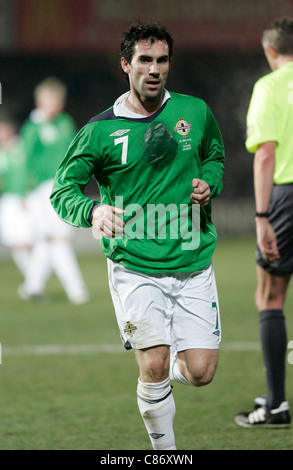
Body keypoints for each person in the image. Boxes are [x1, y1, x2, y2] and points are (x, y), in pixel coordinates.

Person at [50, 22, 225, 449]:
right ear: (126, 65)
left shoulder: (195, 112)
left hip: (192, 259)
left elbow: (215, 157)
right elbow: (62, 190)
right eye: (145, 60)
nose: (154, 69)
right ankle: (165, 453)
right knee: (154, 361)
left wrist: (208, 182)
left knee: (200, 372)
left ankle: (161, 380)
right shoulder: (99, 131)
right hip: (134, 264)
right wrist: (92, 210)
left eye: (162, 60)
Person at [235, 17, 293, 428]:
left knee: (270, 297)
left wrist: (260, 217)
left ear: (270, 51)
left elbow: (266, 154)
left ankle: (275, 405)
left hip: (286, 196)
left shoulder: (269, 87)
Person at [19, 77, 90, 304]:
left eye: (57, 100)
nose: (54, 105)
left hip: (64, 186)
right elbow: (24, 161)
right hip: (41, 190)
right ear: (39, 101)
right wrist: (23, 192)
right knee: (58, 238)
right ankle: (76, 289)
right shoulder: (32, 128)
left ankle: (33, 285)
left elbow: (74, 154)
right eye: (49, 100)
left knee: (47, 240)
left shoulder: (65, 123)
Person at [0, 115, 32, 278]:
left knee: (28, 240)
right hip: (7, 199)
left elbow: (24, 173)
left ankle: (34, 278)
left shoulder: (21, 148)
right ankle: (32, 278)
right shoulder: (2, 153)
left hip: (22, 198)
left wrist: (24, 193)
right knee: (15, 242)